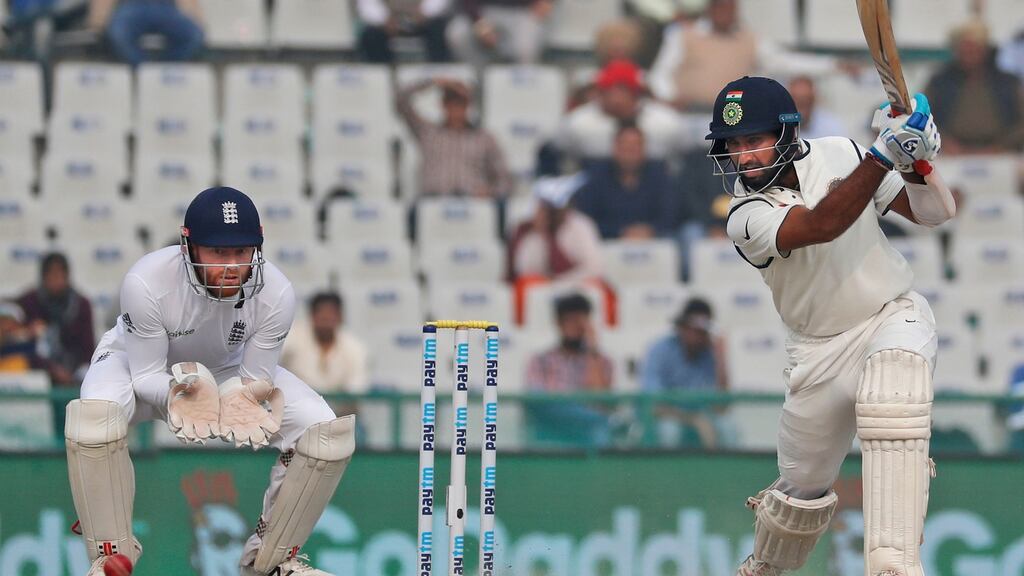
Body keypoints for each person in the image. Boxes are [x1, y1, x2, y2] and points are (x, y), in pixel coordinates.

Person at [704, 76, 954, 575]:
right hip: (816, 353)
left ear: (787, 132)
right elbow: (821, 226)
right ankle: (765, 569)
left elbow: (935, 212)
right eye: (733, 146)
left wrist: (919, 163)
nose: (744, 157)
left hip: (889, 314)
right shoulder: (745, 216)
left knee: (893, 403)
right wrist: (884, 155)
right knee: (798, 493)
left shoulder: (840, 152)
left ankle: (894, 565)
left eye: (754, 141)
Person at [66, 187, 354, 576]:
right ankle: (110, 556)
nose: (232, 266)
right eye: (219, 252)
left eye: (241, 251)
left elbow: (257, 379)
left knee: (324, 432)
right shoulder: (147, 281)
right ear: (188, 246)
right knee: (93, 419)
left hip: (225, 369)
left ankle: (271, 562)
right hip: (138, 363)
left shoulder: (277, 293)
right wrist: (175, 394)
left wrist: (243, 395)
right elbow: (147, 375)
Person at [649, 0, 842, 112]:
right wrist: (670, 97)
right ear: (711, 8)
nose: (725, 11)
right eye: (721, 6)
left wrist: (834, 65)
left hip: (733, 115)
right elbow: (660, 75)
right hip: (686, 116)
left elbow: (784, 61)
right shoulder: (683, 34)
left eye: (730, 6)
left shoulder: (749, 38)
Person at [554, 58, 693, 162]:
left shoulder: (667, 123)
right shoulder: (577, 123)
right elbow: (564, 154)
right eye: (609, 90)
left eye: (623, 90)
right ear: (600, 93)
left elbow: (683, 154)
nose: (616, 99)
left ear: (636, 94)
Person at [397, 77, 512, 198]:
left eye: (460, 103)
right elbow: (400, 100)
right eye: (451, 102)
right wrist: (434, 82)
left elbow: (504, 180)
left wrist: (489, 192)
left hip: (472, 206)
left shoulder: (484, 138)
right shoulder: (428, 132)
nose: (456, 108)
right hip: (432, 202)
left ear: (468, 105)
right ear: (443, 104)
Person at [524, 293, 614, 446]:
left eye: (579, 320)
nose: (574, 326)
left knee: (599, 427)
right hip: (550, 426)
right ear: (559, 323)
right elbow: (539, 402)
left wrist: (592, 351)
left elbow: (601, 401)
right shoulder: (541, 360)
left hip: (587, 432)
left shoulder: (601, 361)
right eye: (569, 320)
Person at [924, 19, 1024, 154]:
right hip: (951, 154)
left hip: (1001, 153)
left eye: (975, 47)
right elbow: (923, 118)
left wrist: (1001, 146)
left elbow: (1021, 124)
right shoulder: (939, 82)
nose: (970, 53)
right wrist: (944, 141)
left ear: (985, 49)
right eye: (964, 48)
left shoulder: (1008, 83)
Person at [640, 297, 728, 447]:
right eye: (692, 328)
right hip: (666, 417)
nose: (696, 334)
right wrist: (693, 419)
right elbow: (655, 403)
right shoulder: (659, 350)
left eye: (702, 330)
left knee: (728, 429)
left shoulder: (709, 355)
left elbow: (721, 406)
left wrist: (721, 358)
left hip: (700, 417)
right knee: (670, 431)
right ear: (681, 327)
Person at [574, 123, 682, 240]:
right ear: (614, 148)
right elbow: (585, 219)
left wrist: (651, 230)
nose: (630, 152)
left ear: (644, 149)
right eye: (625, 146)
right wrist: (620, 232)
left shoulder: (660, 175)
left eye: (635, 147)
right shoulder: (595, 176)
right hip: (606, 243)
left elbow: (670, 215)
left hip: (654, 241)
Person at [280, 291, 368, 416]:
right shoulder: (293, 338)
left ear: (340, 317)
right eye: (321, 314)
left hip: (339, 416)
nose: (326, 319)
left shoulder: (354, 347)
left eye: (331, 314)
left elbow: (356, 389)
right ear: (312, 316)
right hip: (296, 414)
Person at [17, 252, 95, 387]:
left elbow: (88, 349)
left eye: (60, 274)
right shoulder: (28, 303)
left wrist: (72, 372)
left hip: (74, 376)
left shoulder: (81, 305)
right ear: (43, 276)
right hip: (38, 377)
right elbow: (22, 346)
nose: (56, 280)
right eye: (51, 274)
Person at [89, 0, 204, 67]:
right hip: (132, 7)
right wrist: (98, 21)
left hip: (167, 8)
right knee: (118, 33)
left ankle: (165, 68)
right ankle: (142, 69)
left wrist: (195, 17)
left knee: (194, 35)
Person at [445, 0, 552, 66]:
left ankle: (522, 93)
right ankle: (479, 83)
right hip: (482, 10)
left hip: (522, 10)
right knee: (458, 33)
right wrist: (479, 23)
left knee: (525, 48)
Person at [356, 0, 452, 64]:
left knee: (439, 30)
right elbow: (367, 4)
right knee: (371, 36)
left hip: (424, 21)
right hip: (388, 23)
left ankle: (438, 74)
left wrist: (424, 12)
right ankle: (384, 77)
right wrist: (384, 19)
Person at [788, 75, 848, 140]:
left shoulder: (832, 126)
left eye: (806, 99)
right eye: (796, 100)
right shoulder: (779, 125)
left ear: (814, 99)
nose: (801, 105)